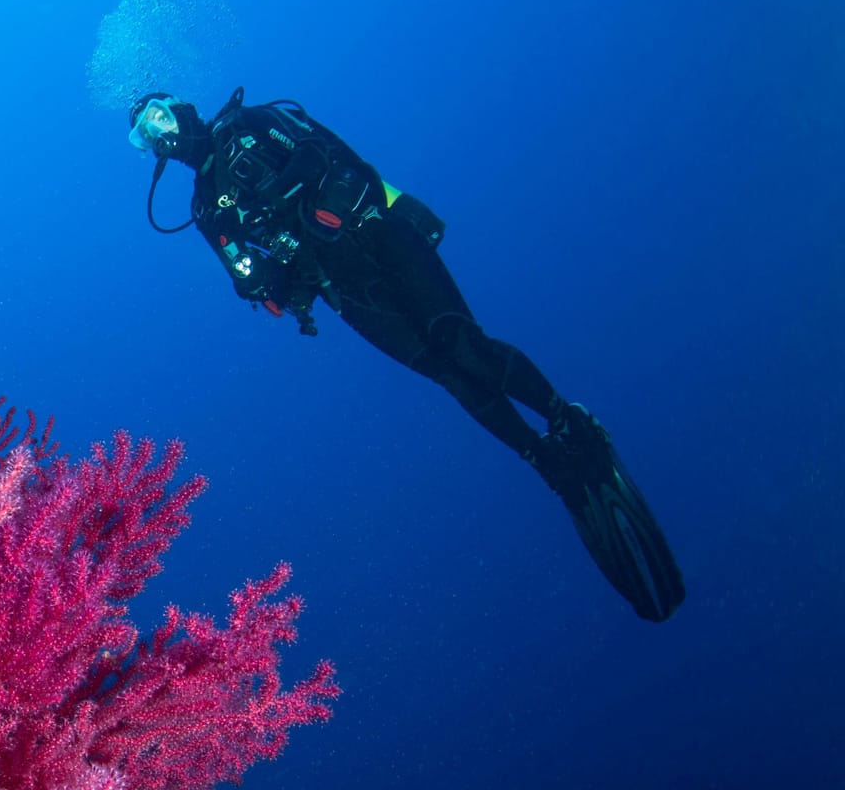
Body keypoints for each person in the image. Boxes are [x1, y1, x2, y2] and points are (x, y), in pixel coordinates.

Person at [128, 88, 684, 621]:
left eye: (158, 115)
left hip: (380, 235)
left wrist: (319, 213)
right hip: (342, 289)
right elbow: (244, 272)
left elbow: (332, 156)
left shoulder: (247, 125)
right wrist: (263, 283)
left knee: (460, 342)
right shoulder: (205, 209)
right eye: (145, 132)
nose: (158, 131)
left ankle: (566, 416)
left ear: (181, 107)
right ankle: (547, 463)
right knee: (448, 374)